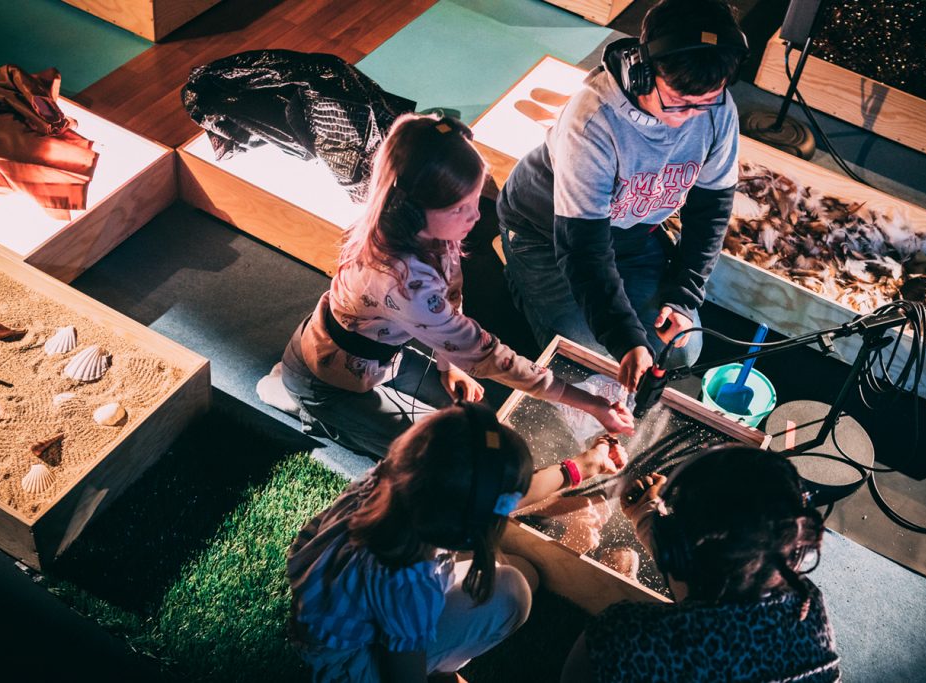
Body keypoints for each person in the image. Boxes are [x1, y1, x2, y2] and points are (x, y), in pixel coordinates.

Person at [276, 112, 634, 458]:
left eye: (475, 201)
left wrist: (450, 364)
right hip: (327, 384)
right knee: (446, 457)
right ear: (411, 210)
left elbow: (449, 300)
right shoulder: (403, 282)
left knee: (472, 418)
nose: (476, 217)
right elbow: (485, 353)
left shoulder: (424, 233)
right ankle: (302, 403)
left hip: (376, 354)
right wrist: (591, 403)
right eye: (459, 209)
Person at [496, 0, 748, 392]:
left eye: (708, 101)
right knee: (589, 362)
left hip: (630, 235)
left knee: (680, 349)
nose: (693, 116)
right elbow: (583, 250)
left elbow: (711, 212)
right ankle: (521, 278)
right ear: (643, 74)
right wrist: (624, 337)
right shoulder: (594, 118)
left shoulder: (715, 109)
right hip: (548, 235)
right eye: (677, 102)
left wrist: (684, 295)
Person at [287, 402, 629, 683]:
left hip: (330, 610)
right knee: (514, 594)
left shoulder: (400, 477)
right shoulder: (408, 579)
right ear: (470, 525)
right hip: (351, 665)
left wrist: (582, 466)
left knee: (522, 572)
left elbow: (503, 498)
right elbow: (403, 676)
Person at [561, 446, 841, 683]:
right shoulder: (808, 606)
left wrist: (655, 524)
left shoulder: (621, 637)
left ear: (677, 551)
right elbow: (720, 580)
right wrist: (648, 519)